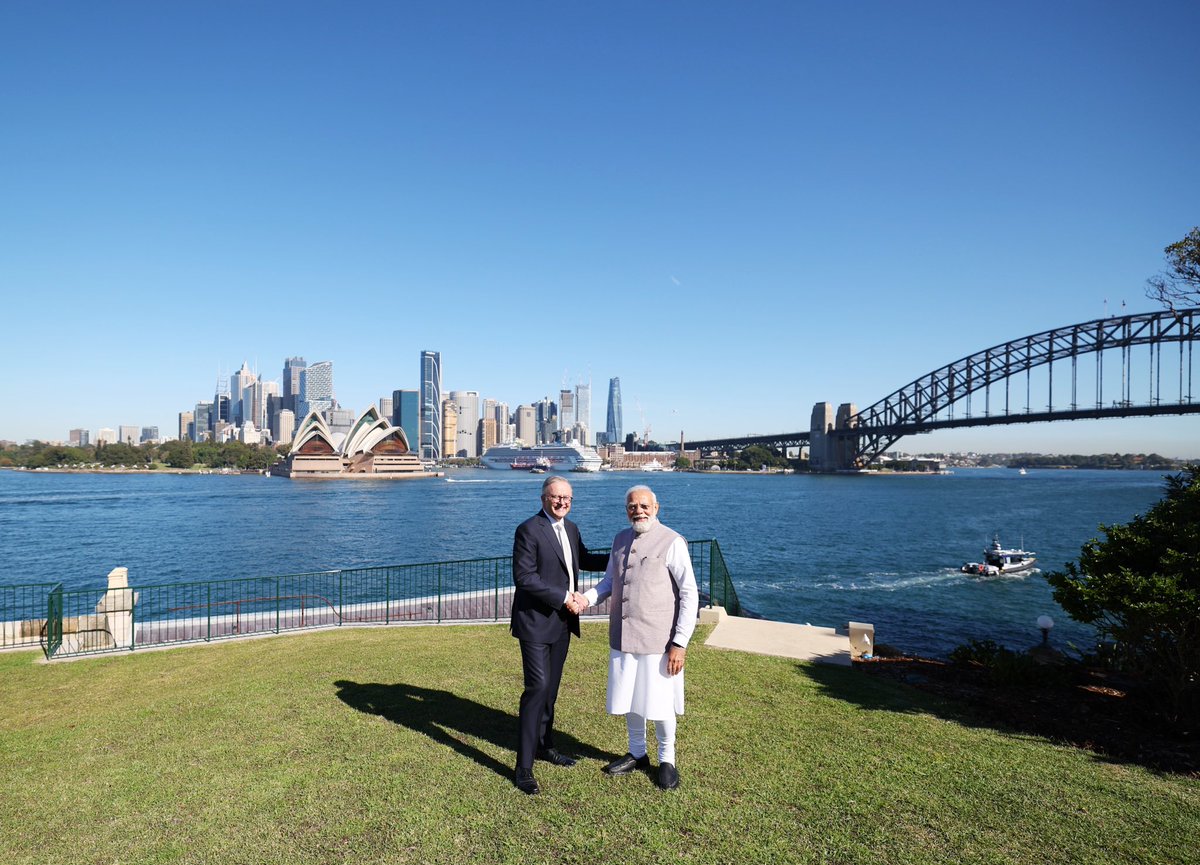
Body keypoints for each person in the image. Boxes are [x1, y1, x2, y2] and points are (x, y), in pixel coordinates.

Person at [581, 484, 698, 791]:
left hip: (659, 640)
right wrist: (586, 599)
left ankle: (667, 759)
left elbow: (689, 594)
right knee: (630, 697)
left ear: (656, 508)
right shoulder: (620, 539)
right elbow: (609, 581)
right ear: (627, 510)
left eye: (644, 506)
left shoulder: (672, 541)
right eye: (633, 506)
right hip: (624, 636)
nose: (639, 511)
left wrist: (680, 642)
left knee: (659, 703)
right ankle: (637, 752)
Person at [510, 475, 609, 795]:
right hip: (536, 622)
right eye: (556, 497)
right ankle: (523, 766)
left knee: (550, 690)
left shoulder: (572, 529)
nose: (562, 502)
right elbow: (524, 577)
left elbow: (587, 559)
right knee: (536, 688)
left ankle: (545, 745)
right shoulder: (528, 530)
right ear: (543, 499)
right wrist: (565, 597)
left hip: (562, 624)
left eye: (567, 498)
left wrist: (624, 552)